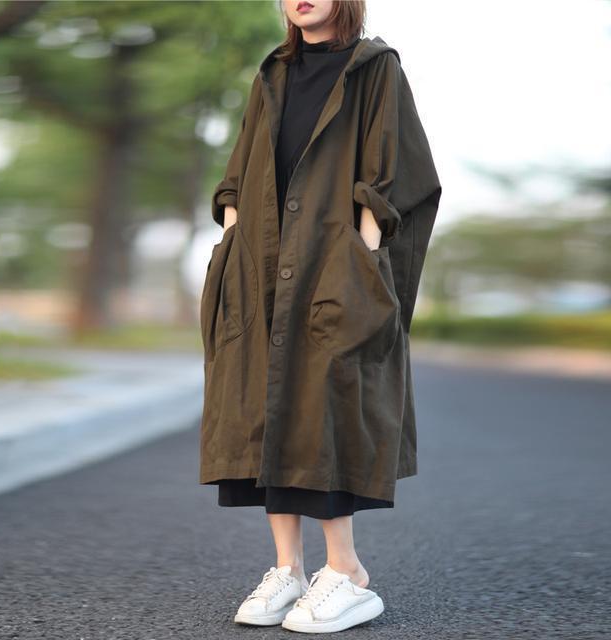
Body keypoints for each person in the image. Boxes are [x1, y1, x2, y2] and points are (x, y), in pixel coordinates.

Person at [198, 0, 442, 633]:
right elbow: (240, 168)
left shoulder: (375, 67)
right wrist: (233, 235)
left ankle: (347, 572)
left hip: (333, 260)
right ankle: (289, 569)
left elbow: (395, 172)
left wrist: (360, 257)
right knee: (264, 406)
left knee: (324, 407)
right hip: (260, 261)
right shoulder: (272, 71)